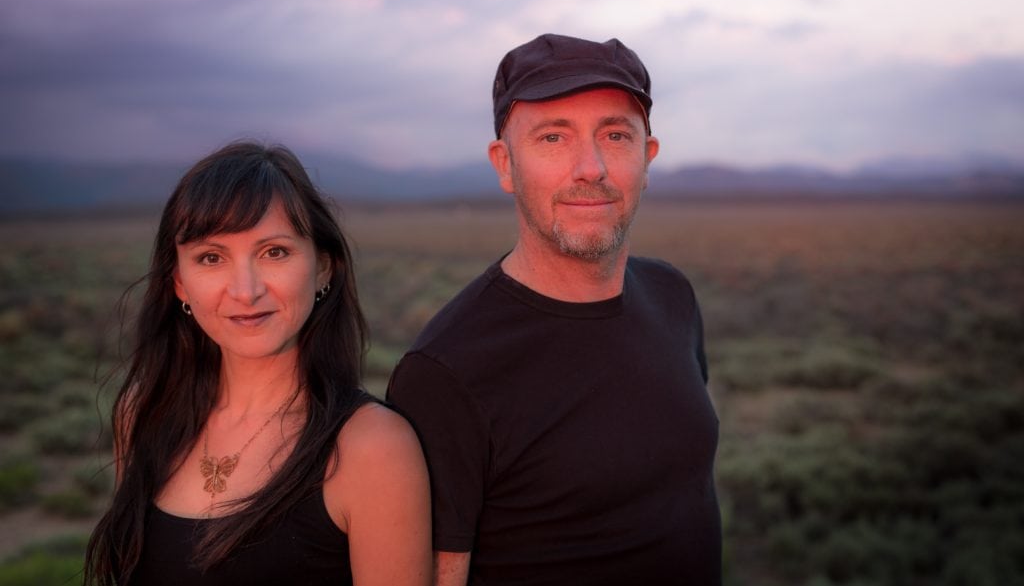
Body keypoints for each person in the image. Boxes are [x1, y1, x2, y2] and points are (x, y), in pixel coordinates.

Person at [386, 33, 721, 585]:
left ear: (647, 157)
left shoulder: (672, 297)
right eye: (552, 137)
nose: (590, 168)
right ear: (505, 165)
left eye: (616, 135)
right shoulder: (446, 374)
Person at [85, 141, 431, 586]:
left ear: (323, 267)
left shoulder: (373, 449)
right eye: (212, 258)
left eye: (274, 252)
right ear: (180, 284)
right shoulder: (142, 415)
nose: (246, 291)